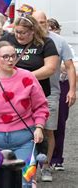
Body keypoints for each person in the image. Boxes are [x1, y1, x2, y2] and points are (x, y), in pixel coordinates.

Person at [0, 41, 49, 188]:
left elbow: (41, 105)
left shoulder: (28, 77)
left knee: (24, 182)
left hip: (24, 139)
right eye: (5, 57)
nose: (11, 60)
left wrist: (39, 127)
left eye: (13, 56)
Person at [32, 11, 76, 179]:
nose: (41, 25)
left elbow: (70, 66)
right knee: (29, 130)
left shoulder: (59, 41)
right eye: (38, 22)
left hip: (51, 92)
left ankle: (46, 166)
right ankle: (29, 166)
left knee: (49, 130)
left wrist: (72, 90)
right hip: (27, 93)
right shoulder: (27, 39)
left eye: (43, 22)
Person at [0, 15, 59, 97]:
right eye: (16, 32)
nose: (19, 36)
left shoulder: (45, 42)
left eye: (23, 33)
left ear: (33, 31)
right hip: (11, 92)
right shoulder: (8, 38)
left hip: (36, 93)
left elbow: (50, 69)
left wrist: (24, 77)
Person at [48, 18, 77, 171]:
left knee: (59, 122)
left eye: (54, 28)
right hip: (45, 85)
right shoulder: (42, 44)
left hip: (61, 84)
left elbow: (71, 66)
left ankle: (57, 158)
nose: (51, 30)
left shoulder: (63, 44)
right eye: (49, 27)